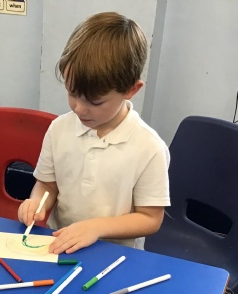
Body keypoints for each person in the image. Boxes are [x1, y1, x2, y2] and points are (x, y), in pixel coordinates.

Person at [18, 12, 170, 254]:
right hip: (61, 245)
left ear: (131, 90)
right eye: (72, 93)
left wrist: (95, 228)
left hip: (116, 255)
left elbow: (150, 218)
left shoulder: (149, 147)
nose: (79, 108)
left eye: (95, 102)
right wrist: (37, 202)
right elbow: (47, 184)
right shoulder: (59, 129)